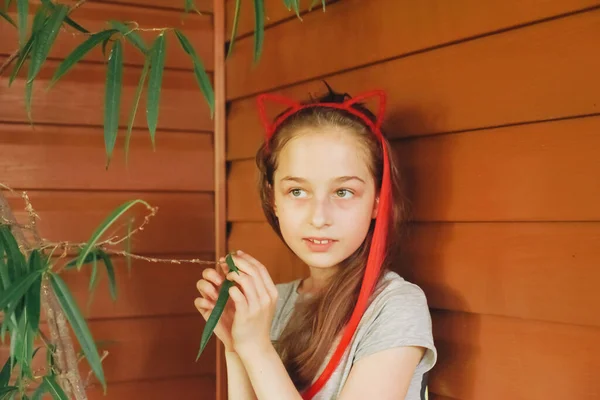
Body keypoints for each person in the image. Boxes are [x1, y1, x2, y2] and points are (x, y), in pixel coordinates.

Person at [194, 84, 437, 400]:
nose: (319, 217)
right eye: (297, 191)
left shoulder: (394, 306)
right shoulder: (269, 303)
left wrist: (256, 348)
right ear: (273, 198)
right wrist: (236, 347)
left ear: (378, 199)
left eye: (343, 192)